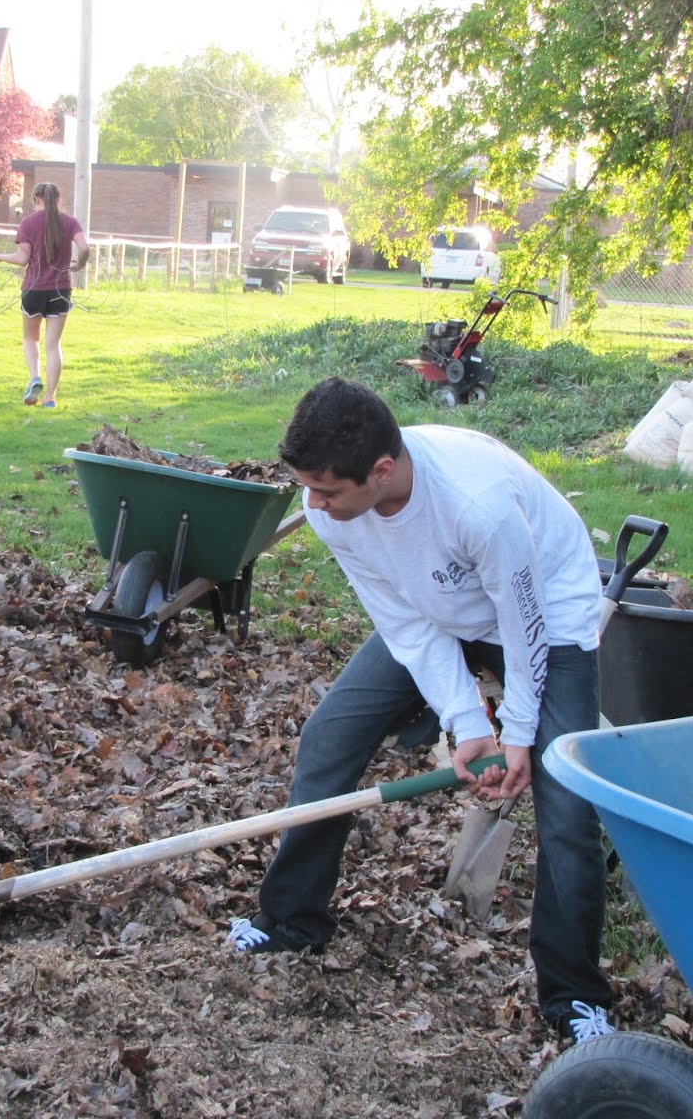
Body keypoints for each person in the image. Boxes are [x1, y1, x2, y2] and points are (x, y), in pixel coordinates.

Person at [228, 377, 615, 1044]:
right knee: (328, 738)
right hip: (441, 611)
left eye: (326, 490)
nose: (311, 504)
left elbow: (524, 628)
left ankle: (574, 999)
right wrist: (468, 723)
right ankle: (291, 924)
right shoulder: (330, 509)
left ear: (381, 470)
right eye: (308, 487)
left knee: (568, 804)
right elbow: (405, 623)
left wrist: (517, 733)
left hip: (548, 614)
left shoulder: (475, 503)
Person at [0, 182, 89, 409]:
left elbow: (22, 259)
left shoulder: (28, 223)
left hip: (33, 289)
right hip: (60, 290)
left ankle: (35, 377)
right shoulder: (70, 222)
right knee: (53, 345)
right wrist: (79, 265)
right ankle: (50, 399)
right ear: (57, 198)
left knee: (31, 338)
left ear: (36, 199)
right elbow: (84, 247)